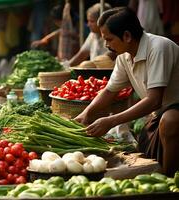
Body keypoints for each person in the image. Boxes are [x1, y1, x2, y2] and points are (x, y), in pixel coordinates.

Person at [74, 7, 179, 176]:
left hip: (172, 111)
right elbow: (110, 90)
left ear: (127, 36)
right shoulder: (124, 56)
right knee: (147, 140)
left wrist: (110, 121)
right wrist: (86, 114)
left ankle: (171, 181)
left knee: (170, 121)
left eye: (109, 39)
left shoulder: (158, 47)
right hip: (159, 114)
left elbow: (154, 100)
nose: (107, 45)